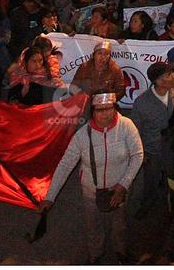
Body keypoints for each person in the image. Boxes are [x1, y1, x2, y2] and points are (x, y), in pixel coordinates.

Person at [42, 92, 143, 264]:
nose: (106, 114)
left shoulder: (127, 126)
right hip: (91, 191)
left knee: (119, 224)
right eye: (100, 110)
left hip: (119, 191)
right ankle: (95, 256)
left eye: (109, 108)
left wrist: (123, 185)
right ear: (93, 112)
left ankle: (121, 252)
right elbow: (65, 165)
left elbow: (138, 155)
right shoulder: (82, 135)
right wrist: (50, 197)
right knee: (93, 226)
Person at [130, 61, 174, 217]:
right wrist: (142, 154)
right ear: (158, 81)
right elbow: (135, 131)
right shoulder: (141, 103)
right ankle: (146, 205)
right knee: (151, 181)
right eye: (169, 74)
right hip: (153, 151)